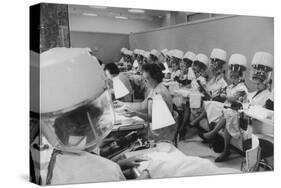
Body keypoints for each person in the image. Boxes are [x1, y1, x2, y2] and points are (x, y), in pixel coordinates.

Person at [32, 48, 149, 185]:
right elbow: (97, 171)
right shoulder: (105, 171)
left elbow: (87, 163)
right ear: (92, 123)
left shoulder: (59, 155)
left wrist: (119, 165)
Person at [199, 54, 250, 162]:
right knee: (212, 106)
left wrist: (226, 96)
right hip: (228, 109)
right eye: (232, 76)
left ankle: (213, 135)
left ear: (240, 77)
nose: (233, 78)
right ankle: (218, 142)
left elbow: (236, 100)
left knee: (229, 114)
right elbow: (225, 94)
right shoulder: (231, 86)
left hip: (238, 112)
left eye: (235, 76)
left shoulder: (242, 88)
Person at [114, 63, 175, 142]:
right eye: (144, 79)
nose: (145, 82)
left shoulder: (159, 93)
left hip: (159, 133)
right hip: (155, 127)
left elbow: (152, 118)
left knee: (125, 135)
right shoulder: (154, 88)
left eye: (147, 79)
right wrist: (123, 104)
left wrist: (136, 114)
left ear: (155, 77)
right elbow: (142, 106)